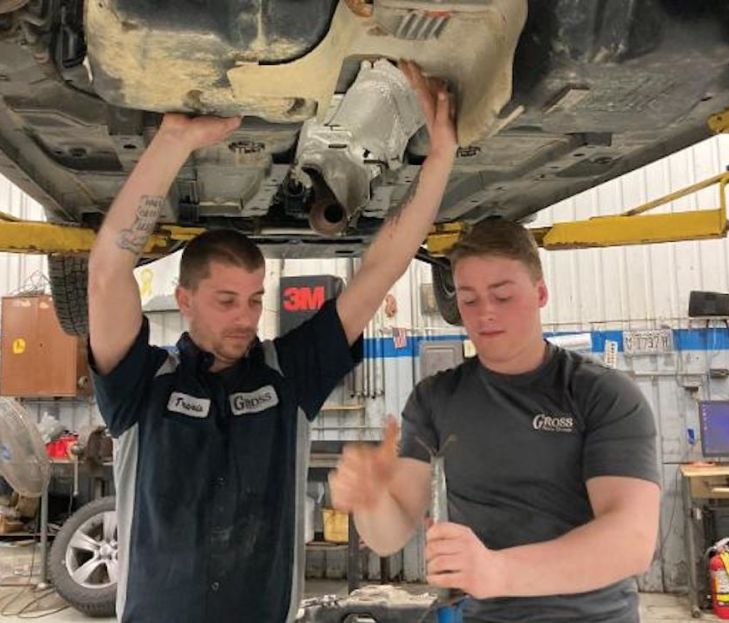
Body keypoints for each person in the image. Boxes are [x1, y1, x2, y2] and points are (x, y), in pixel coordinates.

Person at [86, 61, 457, 623]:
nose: (247, 317)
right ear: (184, 300)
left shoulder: (287, 376)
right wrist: (173, 141)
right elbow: (108, 272)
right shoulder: (141, 385)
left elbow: (380, 269)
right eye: (226, 301)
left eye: (256, 299)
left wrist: (440, 160)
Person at [329, 219, 661, 622]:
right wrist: (371, 500)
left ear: (540, 293)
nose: (485, 313)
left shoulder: (601, 395)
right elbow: (391, 533)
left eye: (502, 296)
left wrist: (498, 571)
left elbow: (631, 540)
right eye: (469, 300)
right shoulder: (437, 397)